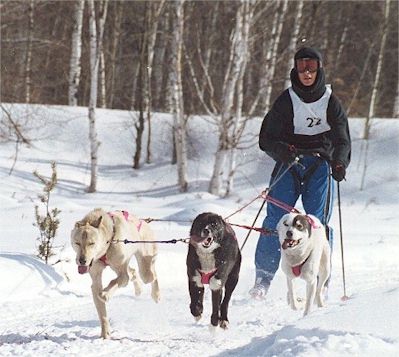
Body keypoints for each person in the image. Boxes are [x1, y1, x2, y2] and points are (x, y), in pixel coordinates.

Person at [250, 47, 351, 299]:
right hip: (290, 165)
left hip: (319, 166)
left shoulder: (331, 101)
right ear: (295, 69)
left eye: (312, 67)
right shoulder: (286, 100)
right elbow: (266, 138)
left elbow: (342, 140)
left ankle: (320, 281)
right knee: (275, 220)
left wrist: (339, 163)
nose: (307, 73)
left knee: (317, 223)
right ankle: (262, 280)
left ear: (319, 69)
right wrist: (282, 150)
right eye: (302, 67)